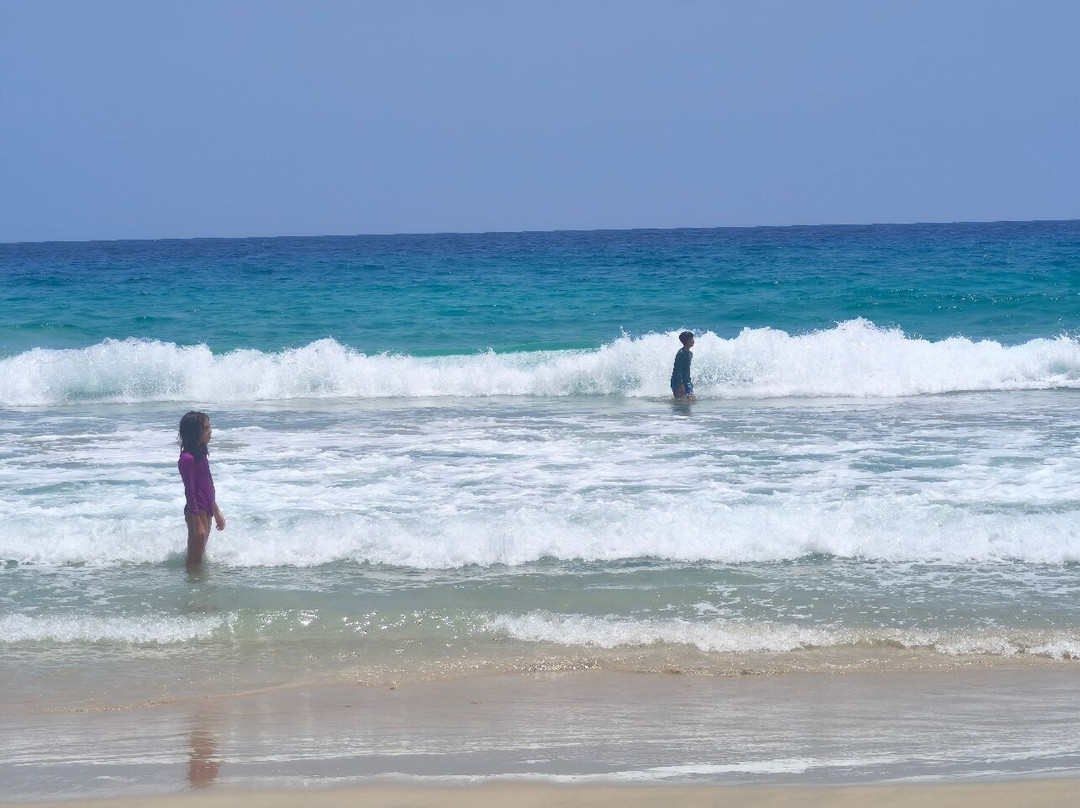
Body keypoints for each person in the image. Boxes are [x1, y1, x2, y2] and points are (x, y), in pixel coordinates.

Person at [178, 411, 225, 571]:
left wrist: (216, 511)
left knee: (199, 555)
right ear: (195, 431)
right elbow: (190, 492)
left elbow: (208, 485)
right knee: (194, 560)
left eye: (209, 426)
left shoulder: (201, 454)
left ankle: (197, 588)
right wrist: (197, 522)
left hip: (206, 509)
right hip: (197, 512)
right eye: (206, 427)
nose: (210, 431)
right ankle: (193, 592)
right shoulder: (187, 459)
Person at [670, 331, 696, 401]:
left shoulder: (690, 353)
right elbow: (677, 369)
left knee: (691, 401)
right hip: (677, 381)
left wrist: (689, 382)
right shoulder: (681, 353)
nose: (693, 341)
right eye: (692, 339)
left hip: (686, 381)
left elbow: (687, 370)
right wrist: (680, 384)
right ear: (688, 341)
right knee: (679, 402)